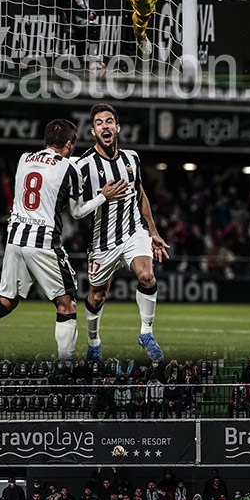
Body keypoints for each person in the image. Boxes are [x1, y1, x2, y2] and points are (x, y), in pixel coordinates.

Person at [0, 118, 127, 364]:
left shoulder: (24, 158)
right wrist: (103, 196)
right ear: (70, 144)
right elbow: (78, 212)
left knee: (5, 302)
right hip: (44, 242)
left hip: (15, 239)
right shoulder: (69, 169)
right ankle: (65, 365)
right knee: (67, 305)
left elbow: (49, 168)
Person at [76, 102, 169, 365]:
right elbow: (75, 208)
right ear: (93, 132)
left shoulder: (132, 158)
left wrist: (152, 231)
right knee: (97, 296)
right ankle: (94, 343)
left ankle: (146, 333)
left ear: (117, 127)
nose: (104, 126)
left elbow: (140, 193)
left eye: (108, 121)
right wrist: (101, 197)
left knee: (147, 276)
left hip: (132, 233)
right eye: (98, 123)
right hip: (101, 242)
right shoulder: (84, 165)